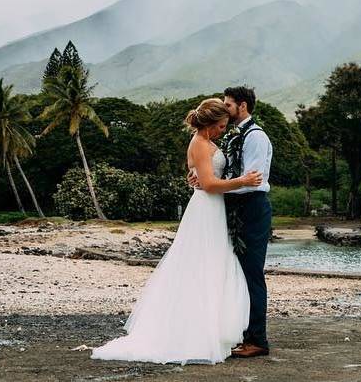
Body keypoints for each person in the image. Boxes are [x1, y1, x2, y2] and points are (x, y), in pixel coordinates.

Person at [90, 97, 263, 364]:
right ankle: (196, 334)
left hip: (214, 209)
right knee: (200, 267)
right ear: (208, 125)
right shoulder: (199, 143)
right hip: (206, 209)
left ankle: (211, 330)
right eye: (220, 126)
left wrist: (204, 179)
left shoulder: (206, 142)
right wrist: (243, 181)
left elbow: (200, 178)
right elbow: (208, 184)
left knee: (212, 266)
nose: (223, 130)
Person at [189, 85, 273, 358]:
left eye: (228, 104)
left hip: (252, 208)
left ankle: (257, 339)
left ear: (242, 106)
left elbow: (253, 182)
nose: (224, 109)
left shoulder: (256, 137)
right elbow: (217, 171)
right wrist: (203, 180)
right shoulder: (233, 135)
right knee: (236, 272)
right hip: (232, 208)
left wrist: (210, 184)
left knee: (250, 274)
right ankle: (241, 332)